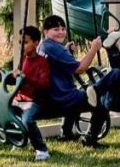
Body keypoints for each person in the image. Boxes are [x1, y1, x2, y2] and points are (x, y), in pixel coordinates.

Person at [37, 15, 109, 148]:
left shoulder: (42, 46)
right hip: (61, 98)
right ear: (45, 31)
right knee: (101, 100)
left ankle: (66, 133)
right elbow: (80, 68)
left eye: (63, 29)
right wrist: (94, 49)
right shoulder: (55, 48)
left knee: (78, 92)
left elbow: (57, 62)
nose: (61, 32)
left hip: (50, 96)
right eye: (56, 29)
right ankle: (90, 139)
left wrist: (65, 50)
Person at [12, 25, 51, 161]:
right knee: (6, 115)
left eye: (25, 42)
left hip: (33, 100)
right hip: (19, 98)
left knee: (27, 120)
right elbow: (17, 81)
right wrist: (4, 77)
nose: (21, 45)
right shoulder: (23, 60)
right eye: (20, 42)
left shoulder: (42, 62)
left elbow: (44, 84)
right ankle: (20, 140)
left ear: (36, 43)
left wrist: (25, 77)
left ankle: (41, 150)